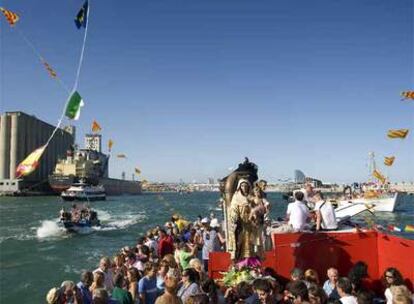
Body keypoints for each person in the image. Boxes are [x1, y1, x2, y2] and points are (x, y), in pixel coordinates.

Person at [228, 179, 259, 261]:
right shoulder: (236, 196)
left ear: (248, 187)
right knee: (239, 243)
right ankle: (238, 261)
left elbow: (257, 206)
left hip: (249, 224)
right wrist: (234, 216)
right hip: (240, 223)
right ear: (239, 187)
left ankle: (248, 262)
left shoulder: (250, 196)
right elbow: (233, 208)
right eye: (242, 186)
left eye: (246, 186)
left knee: (249, 244)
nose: (244, 187)